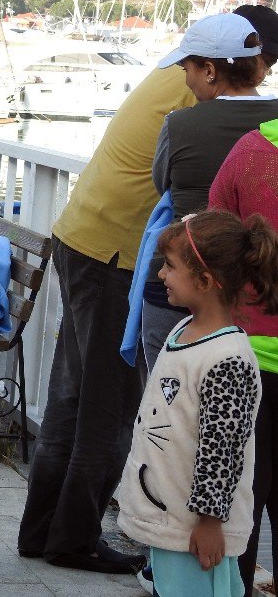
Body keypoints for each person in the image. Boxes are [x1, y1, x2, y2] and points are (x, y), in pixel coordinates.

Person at [17, 3, 278, 575]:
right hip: (114, 249)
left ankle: (40, 531)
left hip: (81, 230)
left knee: (70, 397)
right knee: (108, 410)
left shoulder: (175, 79)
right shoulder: (214, 105)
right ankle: (74, 539)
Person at [118, 209, 278, 597]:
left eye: (170, 267)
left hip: (196, 533)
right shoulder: (182, 329)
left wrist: (209, 524)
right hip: (172, 518)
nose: (161, 275)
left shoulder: (228, 359)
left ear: (205, 280)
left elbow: (222, 449)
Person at [142, 11, 278, 372]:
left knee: (171, 407)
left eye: (187, 68)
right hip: (261, 294)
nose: (186, 81)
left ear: (209, 70)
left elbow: (163, 184)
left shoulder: (180, 123)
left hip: (187, 282)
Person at [209, 118, 278, 596]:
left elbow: (215, 245)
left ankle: (237, 588)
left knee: (243, 498)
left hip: (246, 354)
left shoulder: (250, 153)